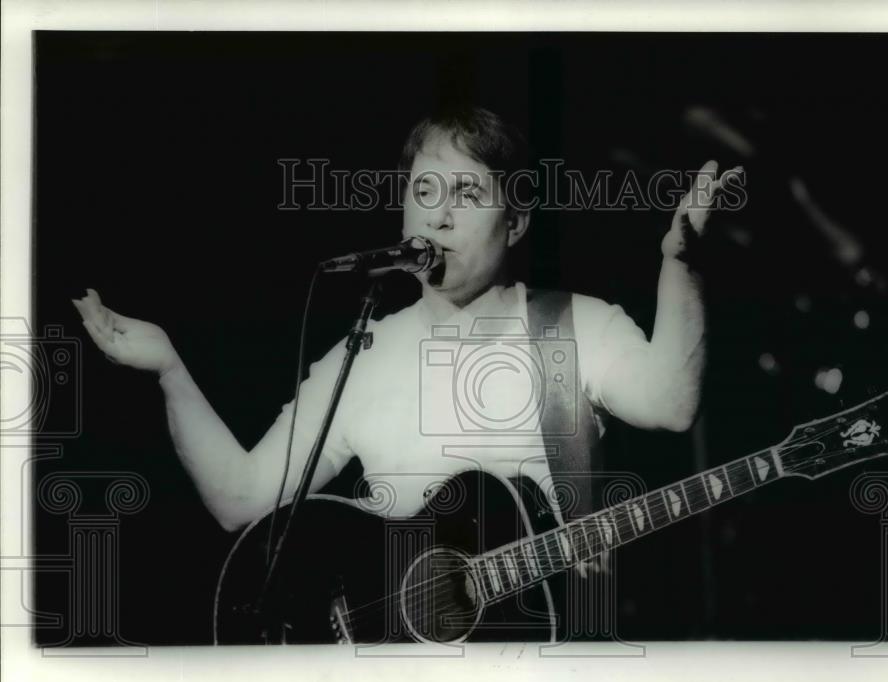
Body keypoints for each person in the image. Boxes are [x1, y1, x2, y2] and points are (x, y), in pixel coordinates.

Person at [73, 107, 737, 580]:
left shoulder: (574, 325)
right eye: (424, 191)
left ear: (516, 222)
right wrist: (169, 369)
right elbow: (242, 498)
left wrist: (679, 266)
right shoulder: (361, 354)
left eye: (467, 193)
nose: (438, 214)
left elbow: (672, 404)